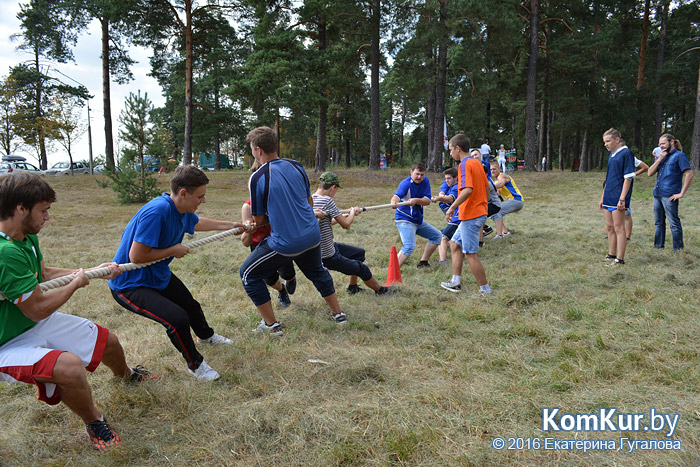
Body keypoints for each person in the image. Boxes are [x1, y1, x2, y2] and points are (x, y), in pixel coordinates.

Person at [0, 173, 153, 452]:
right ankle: (94, 421)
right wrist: (75, 284)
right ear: (21, 208)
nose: (47, 217)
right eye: (43, 210)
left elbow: (43, 273)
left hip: (30, 322)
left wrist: (93, 271)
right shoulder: (5, 251)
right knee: (69, 368)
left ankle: (126, 375)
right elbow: (37, 309)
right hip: (6, 342)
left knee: (108, 341)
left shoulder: (24, 236)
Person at [110, 165, 245, 382]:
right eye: (200, 196)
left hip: (157, 275)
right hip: (130, 284)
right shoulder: (157, 212)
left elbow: (196, 223)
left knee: (191, 306)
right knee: (177, 319)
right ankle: (196, 365)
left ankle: (206, 336)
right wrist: (172, 250)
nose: (203, 201)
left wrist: (231, 225)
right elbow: (136, 256)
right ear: (183, 193)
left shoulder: (181, 210)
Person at [240, 127, 346, 337]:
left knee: (248, 274)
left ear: (258, 150)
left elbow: (259, 219)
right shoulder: (296, 166)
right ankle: (338, 314)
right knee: (317, 272)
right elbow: (309, 202)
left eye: (252, 149)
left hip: (287, 242)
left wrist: (250, 223)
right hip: (312, 235)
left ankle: (272, 326)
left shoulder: (258, 177)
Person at [312, 172, 393, 295]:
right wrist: (352, 212)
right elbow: (346, 225)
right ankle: (380, 290)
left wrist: (342, 216)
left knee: (358, 253)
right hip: (327, 255)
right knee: (362, 268)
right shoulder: (327, 201)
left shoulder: (311, 199)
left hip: (327, 247)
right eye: (336, 190)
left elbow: (325, 222)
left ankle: (352, 287)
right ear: (333, 187)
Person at [240, 162, 297, 308]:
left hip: (279, 242)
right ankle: (281, 290)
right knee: (269, 279)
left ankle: (290, 278)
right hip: (259, 245)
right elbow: (245, 242)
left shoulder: (278, 202)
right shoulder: (247, 207)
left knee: (287, 273)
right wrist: (250, 230)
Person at [440, 134, 492, 295]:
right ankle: (455, 281)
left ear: (458, 148)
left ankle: (485, 290)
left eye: (450, 150)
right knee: (454, 244)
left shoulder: (464, 165)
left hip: (472, 215)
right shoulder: (477, 163)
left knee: (470, 253)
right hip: (476, 213)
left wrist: (452, 207)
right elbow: (487, 188)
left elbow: (468, 190)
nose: (450, 154)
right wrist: (483, 204)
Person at [390, 162, 442, 268]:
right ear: (411, 172)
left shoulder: (425, 181)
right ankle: (392, 271)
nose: (419, 177)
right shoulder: (406, 184)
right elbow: (396, 196)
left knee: (437, 236)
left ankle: (423, 262)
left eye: (422, 174)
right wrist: (393, 202)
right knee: (409, 246)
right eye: (417, 174)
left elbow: (427, 201)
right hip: (405, 219)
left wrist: (416, 200)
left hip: (417, 220)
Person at [647, 133, 694, 251]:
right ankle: (658, 247)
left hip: (670, 195)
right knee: (659, 223)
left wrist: (681, 193)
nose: (661, 146)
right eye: (659, 144)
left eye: (663, 143)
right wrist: (659, 159)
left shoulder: (679, 156)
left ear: (671, 142)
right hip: (657, 193)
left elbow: (689, 174)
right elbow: (649, 173)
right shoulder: (661, 156)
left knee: (674, 223)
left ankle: (678, 250)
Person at [599, 128, 636, 265]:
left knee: (619, 227)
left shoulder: (626, 154)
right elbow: (608, 179)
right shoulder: (612, 155)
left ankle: (619, 259)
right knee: (610, 227)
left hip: (618, 197)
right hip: (608, 195)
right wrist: (603, 197)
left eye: (608, 141)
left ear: (617, 140)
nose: (606, 144)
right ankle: (611, 254)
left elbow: (628, 178)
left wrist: (622, 199)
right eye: (604, 142)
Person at [490, 160, 525, 237]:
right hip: (515, 201)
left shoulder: (501, 176)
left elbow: (501, 184)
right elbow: (497, 194)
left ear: (499, 169)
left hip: (516, 200)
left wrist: (488, 188)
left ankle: (500, 235)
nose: (492, 171)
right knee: (493, 213)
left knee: (497, 212)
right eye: (491, 169)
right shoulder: (496, 181)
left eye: (494, 169)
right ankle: (505, 232)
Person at [432, 168, 459, 265]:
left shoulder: (457, 187)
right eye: (446, 178)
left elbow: (450, 199)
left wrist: (440, 198)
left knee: (441, 237)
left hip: (458, 218)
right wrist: (441, 195)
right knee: (438, 234)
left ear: (456, 178)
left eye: (449, 178)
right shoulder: (448, 183)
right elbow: (443, 189)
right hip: (454, 217)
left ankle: (442, 261)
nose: (446, 180)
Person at [625, 155, 649, 241]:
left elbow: (645, 167)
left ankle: (627, 236)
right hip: (614, 187)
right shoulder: (613, 155)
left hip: (625, 187)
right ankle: (612, 233)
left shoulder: (630, 157)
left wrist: (633, 174)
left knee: (626, 212)